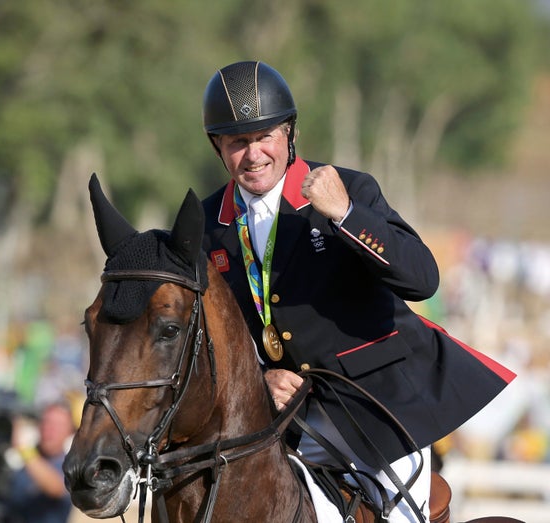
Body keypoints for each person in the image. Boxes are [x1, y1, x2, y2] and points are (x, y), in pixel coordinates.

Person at [199, 60, 516, 522]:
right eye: (237, 142)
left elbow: (422, 278)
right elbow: (210, 331)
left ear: (290, 133)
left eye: (264, 136)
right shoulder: (210, 223)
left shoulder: (348, 187)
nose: (253, 155)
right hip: (286, 417)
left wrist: (346, 214)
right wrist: (257, 379)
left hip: (377, 404)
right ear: (219, 148)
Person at [0, 402, 75, 523]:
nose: (50, 430)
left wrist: (23, 449)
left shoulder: (70, 466)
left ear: (69, 432)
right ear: (39, 425)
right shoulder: (25, 464)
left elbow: (56, 488)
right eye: (47, 423)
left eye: (58, 426)